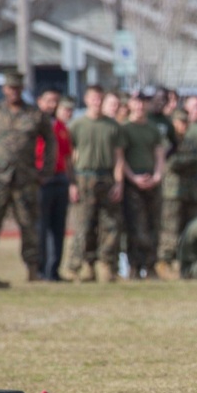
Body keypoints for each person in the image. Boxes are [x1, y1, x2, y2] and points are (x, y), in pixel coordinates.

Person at [0, 71, 55, 286]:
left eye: (18, 88)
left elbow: (51, 142)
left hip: (26, 179)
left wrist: (46, 171)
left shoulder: (35, 114)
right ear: (5, 89)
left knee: (29, 225)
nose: (14, 92)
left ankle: (33, 270)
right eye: (10, 88)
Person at [65, 84, 126, 283]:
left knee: (110, 225)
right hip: (84, 177)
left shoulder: (112, 126)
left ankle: (107, 265)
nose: (97, 102)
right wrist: (72, 183)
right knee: (84, 225)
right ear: (87, 100)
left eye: (100, 99)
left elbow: (119, 157)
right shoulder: (77, 125)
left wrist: (119, 183)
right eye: (94, 98)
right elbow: (68, 157)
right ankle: (81, 266)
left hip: (107, 178)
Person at [121, 90, 165, 279]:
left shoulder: (153, 128)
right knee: (135, 227)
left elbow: (160, 153)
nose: (140, 106)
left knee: (153, 226)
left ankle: (151, 266)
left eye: (143, 102)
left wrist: (157, 175)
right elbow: (120, 157)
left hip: (152, 182)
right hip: (133, 184)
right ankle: (134, 266)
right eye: (136, 102)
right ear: (130, 104)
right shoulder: (124, 129)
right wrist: (133, 178)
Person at [155, 107, 197, 279]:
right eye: (180, 122)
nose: (184, 125)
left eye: (186, 122)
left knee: (188, 229)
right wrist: (186, 160)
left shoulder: (190, 142)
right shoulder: (168, 142)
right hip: (172, 192)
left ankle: (184, 262)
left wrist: (185, 161)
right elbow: (171, 163)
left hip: (190, 192)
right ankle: (165, 261)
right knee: (170, 229)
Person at [35, 92, 75, 281]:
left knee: (58, 228)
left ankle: (54, 270)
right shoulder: (32, 125)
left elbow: (67, 157)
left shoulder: (60, 127)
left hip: (60, 179)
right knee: (40, 227)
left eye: (55, 102)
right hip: (41, 181)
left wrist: (71, 181)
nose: (52, 105)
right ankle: (40, 270)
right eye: (48, 101)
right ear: (39, 102)